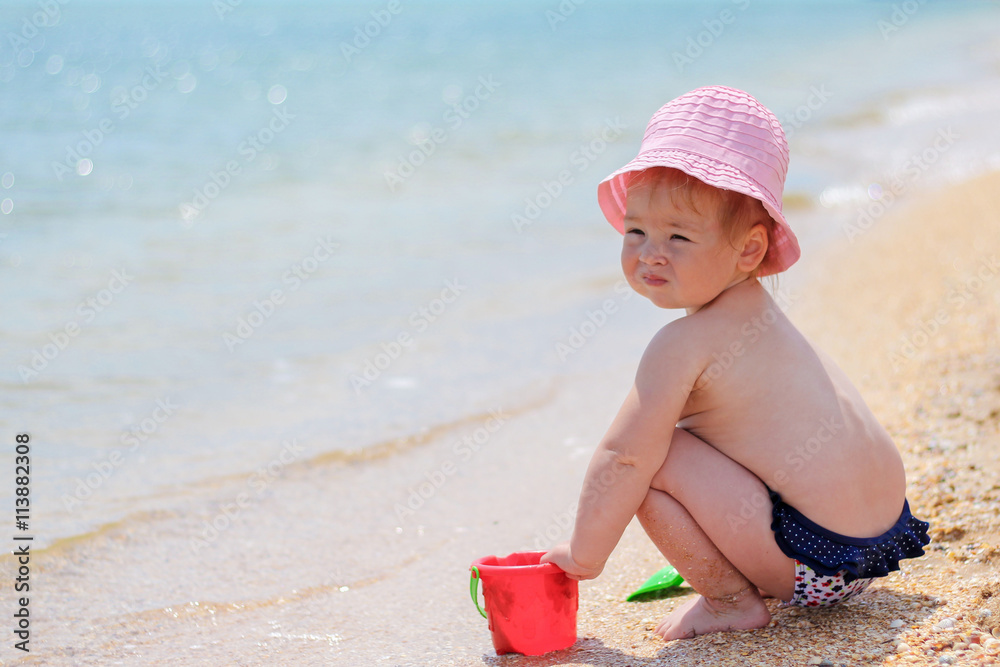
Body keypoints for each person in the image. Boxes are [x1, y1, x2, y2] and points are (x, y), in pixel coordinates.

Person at [540, 86, 930, 640]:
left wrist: (584, 555)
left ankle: (728, 601)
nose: (651, 252)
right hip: (882, 540)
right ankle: (750, 571)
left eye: (678, 236)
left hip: (819, 568)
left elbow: (623, 459)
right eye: (636, 231)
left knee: (653, 452)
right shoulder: (763, 318)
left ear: (749, 251)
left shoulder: (681, 344)